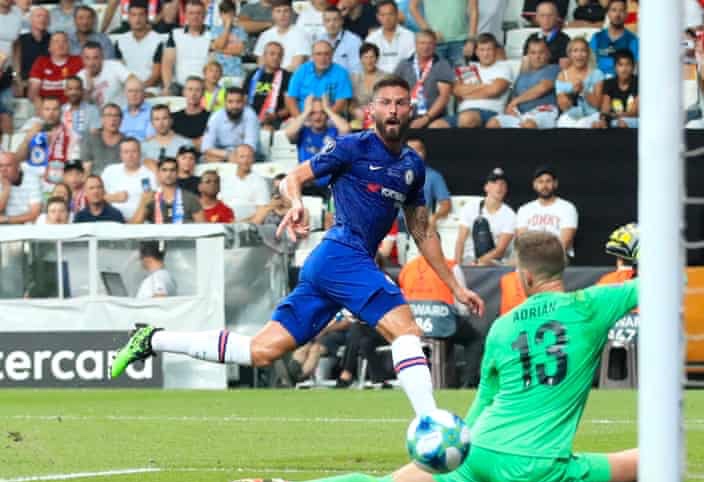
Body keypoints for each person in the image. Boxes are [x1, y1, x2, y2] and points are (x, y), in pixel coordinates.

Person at [111, 76, 485, 426]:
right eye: (385, 102)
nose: (393, 110)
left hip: (333, 266)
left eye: (400, 103)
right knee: (407, 331)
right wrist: (296, 203)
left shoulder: (412, 166)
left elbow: (422, 230)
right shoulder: (352, 147)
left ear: (410, 110)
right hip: (342, 254)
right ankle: (432, 426)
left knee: (261, 351)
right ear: (371, 110)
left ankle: (152, 339)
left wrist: (454, 286)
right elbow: (293, 178)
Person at [221, 231, 639, 482]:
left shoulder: (503, 326)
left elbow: (484, 400)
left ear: (524, 276)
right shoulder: (592, 305)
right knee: (653, 461)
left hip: (479, 455)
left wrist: (459, 455)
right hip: (541, 470)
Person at [398, 247, 484, 387]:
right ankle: (468, 383)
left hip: (414, 326)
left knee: (446, 336)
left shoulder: (407, 268)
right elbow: (461, 304)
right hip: (442, 322)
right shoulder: (450, 265)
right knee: (475, 339)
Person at [487, 38, 559, 130]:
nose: (537, 56)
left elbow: (543, 87)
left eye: (541, 52)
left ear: (548, 54)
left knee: (528, 125)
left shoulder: (554, 68)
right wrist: (511, 108)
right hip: (521, 114)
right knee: (493, 123)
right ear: (528, 55)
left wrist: (515, 101)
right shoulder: (522, 76)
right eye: (533, 53)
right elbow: (512, 99)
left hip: (544, 112)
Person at [16, 96, 80, 192]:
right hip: (32, 183)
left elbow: (73, 167)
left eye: (55, 109)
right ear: (41, 112)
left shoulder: (71, 135)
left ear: (61, 112)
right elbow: (17, 159)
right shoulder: (31, 129)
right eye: (47, 109)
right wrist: (28, 138)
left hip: (58, 184)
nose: (51, 113)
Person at [455, 167, 516, 266]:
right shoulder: (470, 207)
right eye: (494, 183)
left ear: (506, 189)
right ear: (486, 187)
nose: (499, 187)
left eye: (502, 184)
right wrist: (457, 266)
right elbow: (460, 241)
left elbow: (500, 250)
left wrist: (478, 263)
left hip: (495, 261)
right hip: (469, 258)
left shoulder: (510, 215)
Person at [394, 30, 454, 129]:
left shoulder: (442, 65)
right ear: (415, 44)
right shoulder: (404, 64)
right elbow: (393, 91)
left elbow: (444, 97)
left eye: (430, 43)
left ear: (435, 46)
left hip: (434, 118)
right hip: (406, 116)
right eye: (422, 43)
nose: (426, 47)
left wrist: (426, 118)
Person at [452, 33, 512, 129]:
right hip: (462, 112)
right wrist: (484, 86)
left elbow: (494, 91)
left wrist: (466, 92)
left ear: (495, 51)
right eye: (482, 50)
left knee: (466, 119)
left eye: (489, 49)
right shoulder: (468, 68)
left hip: (488, 112)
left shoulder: (504, 67)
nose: (485, 54)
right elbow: (456, 90)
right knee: (436, 126)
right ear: (476, 52)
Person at [515, 165, 578, 257]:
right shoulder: (524, 209)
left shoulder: (567, 208)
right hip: (530, 259)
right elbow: (522, 241)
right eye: (540, 182)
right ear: (534, 185)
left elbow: (564, 244)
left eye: (548, 181)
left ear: (555, 184)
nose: (544, 186)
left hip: (558, 259)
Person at [285, 40, 353, 116]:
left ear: (332, 55)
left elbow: (341, 102)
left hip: (330, 117)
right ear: (312, 56)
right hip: (302, 116)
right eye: (318, 54)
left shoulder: (341, 73)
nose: (322, 58)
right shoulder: (302, 70)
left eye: (326, 54)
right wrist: (300, 119)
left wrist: (323, 118)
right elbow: (291, 98)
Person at [130, 156, 204, 223]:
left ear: (177, 173)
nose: (168, 174)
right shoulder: (151, 198)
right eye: (164, 170)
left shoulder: (191, 198)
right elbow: (133, 227)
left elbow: (203, 227)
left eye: (172, 170)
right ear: (158, 173)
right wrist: (143, 203)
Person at [111, 0, 165, 91]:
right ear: (128, 17)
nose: (137, 19)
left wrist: (139, 88)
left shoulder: (158, 40)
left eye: (141, 15)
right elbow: (119, 71)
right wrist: (131, 88)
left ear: (147, 16)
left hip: (150, 88)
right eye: (133, 15)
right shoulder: (120, 41)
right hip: (127, 88)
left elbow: (156, 76)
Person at [160, 0, 211, 95]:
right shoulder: (175, 34)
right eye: (191, 13)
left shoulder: (213, 34)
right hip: (180, 86)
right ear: (186, 15)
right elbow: (167, 63)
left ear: (204, 15)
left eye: (198, 13)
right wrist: (167, 86)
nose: (195, 17)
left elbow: (214, 62)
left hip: (205, 86)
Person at [409, 0, 477, 67]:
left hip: (461, 42)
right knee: (435, 74)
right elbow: (413, 7)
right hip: (435, 43)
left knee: (462, 74)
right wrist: (430, 32)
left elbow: (473, 10)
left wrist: (471, 40)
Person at [100, 137, 157, 217]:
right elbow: (95, 196)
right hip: (112, 220)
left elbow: (156, 200)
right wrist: (113, 197)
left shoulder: (150, 173)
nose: (130, 156)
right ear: (120, 155)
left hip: (142, 221)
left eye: (134, 151)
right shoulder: (110, 170)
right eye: (126, 152)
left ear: (140, 153)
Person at [286, 95, 352, 163]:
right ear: (308, 115)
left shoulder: (334, 131)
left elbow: (346, 129)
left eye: (322, 112)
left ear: (327, 114)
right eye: (313, 113)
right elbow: (289, 133)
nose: (318, 117)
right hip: (307, 169)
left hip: (330, 169)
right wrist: (306, 111)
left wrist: (327, 109)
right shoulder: (303, 131)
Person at [555, 38, 604, 129]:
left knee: (582, 125)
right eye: (575, 51)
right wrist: (573, 92)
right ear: (569, 54)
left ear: (588, 54)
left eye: (583, 51)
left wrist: (583, 91)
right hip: (569, 116)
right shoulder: (562, 75)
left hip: (591, 116)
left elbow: (597, 105)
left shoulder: (597, 74)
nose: (579, 55)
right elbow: (562, 106)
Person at [202, 87, 260, 162]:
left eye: (238, 102)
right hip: (223, 154)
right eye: (230, 102)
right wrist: (228, 155)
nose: (234, 106)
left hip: (247, 156)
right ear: (224, 103)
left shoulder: (250, 115)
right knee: (206, 157)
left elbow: (250, 148)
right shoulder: (215, 117)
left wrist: (235, 157)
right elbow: (206, 147)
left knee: (246, 157)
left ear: (244, 103)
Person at [244, 41, 292, 133]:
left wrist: (275, 115)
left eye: (279, 55)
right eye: (272, 54)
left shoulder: (288, 77)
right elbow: (244, 99)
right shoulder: (253, 74)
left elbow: (289, 107)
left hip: (275, 120)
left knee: (266, 131)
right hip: (250, 118)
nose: (276, 57)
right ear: (264, 56)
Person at [404, 137, 450, 229]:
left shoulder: (434, 176)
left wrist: (435, 217)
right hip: (393, 224)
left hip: (418, 224)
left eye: (418, 150)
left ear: (424, 153)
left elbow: (446, 205)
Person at [28, 31, 83, 106]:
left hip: (71, 107)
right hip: (46, 107)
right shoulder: (41, 62)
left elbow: (83, 91)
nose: (60, 44)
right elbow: (33, 93)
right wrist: (44, 109)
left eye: (64, 41)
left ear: (69, 46)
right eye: (56, 41)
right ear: (49, 47)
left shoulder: (78, 61)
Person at [254, 0, 310, 72]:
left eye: (286, 11)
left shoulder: (301, 35)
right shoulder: (265, 35)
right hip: (268, 75)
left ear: (291, 13)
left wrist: (278, 75)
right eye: (278, 11)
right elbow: (261, 64)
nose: (282, 15)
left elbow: (296, 66)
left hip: (290, 75)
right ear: (273, 14)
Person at [590, 0, 638, 77]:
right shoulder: (597, 37)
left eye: (621, 10)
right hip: (599, 80)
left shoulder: (633, 40)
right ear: (608, 13)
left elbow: (635, 67)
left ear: (626, 14)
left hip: (621, 80)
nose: (617, 14)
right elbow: (589, 64)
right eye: (614, 10)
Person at [77, 41, 132, 108]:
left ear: (102, 57)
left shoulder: (114, 65)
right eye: (87, 58)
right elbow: (82, 106)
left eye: (95, 58)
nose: (91, 62)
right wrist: (89, 89)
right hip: (98, 114)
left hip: (121, 111)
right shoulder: (79, 77)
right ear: (82, 59)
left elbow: (132, 80)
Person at [365, 0, 415, 74]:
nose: (387, 18)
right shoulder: (371, 40)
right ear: (377, 17)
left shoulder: (410, 36)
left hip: (403, 79)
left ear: (397, 14)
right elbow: (368, 66)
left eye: (390, 14)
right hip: (379, 79)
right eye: (383, 15)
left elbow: (413, 64)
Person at [12, 7, 50, 98]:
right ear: (30, 19)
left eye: (45, 17)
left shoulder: (55, 40)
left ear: (49, 21)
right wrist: (16, 80)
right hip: (24, 85)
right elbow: (14, 66)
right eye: (39, 16)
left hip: (48, 85)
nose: (42, 19)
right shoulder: (20, 40)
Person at [313, 6, 362, 75]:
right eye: (327, 20)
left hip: (345, 79)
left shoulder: (354, 41)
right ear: (323, 22)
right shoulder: (319, 39)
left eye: (335, 20)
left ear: (342, 21)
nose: (331, 24)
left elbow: (357, 71)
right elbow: (313, 65)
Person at [81, 103, 125, 175]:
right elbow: (86, 168)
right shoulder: (90, 139)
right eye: (108, 115)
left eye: (116, 116)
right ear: (102, 119)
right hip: (95, 179)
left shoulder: (126, 142)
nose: (113, 119)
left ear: (121, 119)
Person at [350, 42, 387, 126]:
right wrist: (355, 111)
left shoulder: (385, 77)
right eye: (365, 57)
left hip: (379, 118)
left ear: (377, 58)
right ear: (361, 59)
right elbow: (350, 102)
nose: (369, 61)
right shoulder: (354, 78)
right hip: (359, 118)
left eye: (372, 57)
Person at [598, 48, 637, 128]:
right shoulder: (609, 83)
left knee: (622, 123)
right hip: (615, 119)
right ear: (615, 68)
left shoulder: (638, 82)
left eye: (628, 65)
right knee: (599, 124)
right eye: (620, 65)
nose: (624, 69)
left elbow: (635, 112)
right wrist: (604, 118)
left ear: (633, 67)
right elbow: (605, 107)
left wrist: (615, 116)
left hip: (635, 119)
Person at [0, 151, 42, 224]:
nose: (3, 170)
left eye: (8, 165)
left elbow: (35, 214)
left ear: (18, 166)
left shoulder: (32, 179)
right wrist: (6, 190)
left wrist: (7, 219)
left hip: (27, 226)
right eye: (0, 166)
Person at [209, 0, 248, 78]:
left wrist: (219, 50)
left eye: (230, 13)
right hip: (220, 72)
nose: (228, 17)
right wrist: (227, 27)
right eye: (225, 13)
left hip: (237, 71)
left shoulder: (240, 30)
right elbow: (220, 45)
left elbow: (240, 50)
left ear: (234, 14)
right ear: (220, 14)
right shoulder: (215, 30)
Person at [523, 1, 569, 66]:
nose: (546, 19)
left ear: (556, 17)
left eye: (550, 15)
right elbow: (525, 65)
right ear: (537, 18)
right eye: (542, 15)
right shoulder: (531, 38)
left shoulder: (565, 40)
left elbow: (564, 68)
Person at [171, 77, 210, 146]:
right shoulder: (173, 117)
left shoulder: (211, 118)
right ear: (184, 92)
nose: (193, 94)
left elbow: (207, 142)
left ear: (203, 93)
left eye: (197, 90)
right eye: (190, 89)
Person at [119, 76, 155, 140]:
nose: (133, 94)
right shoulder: (119, 112)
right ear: (125, 93)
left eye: (137, 91)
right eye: (130, 91)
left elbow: (150, 139)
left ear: (144, 93)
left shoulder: (153, 112)